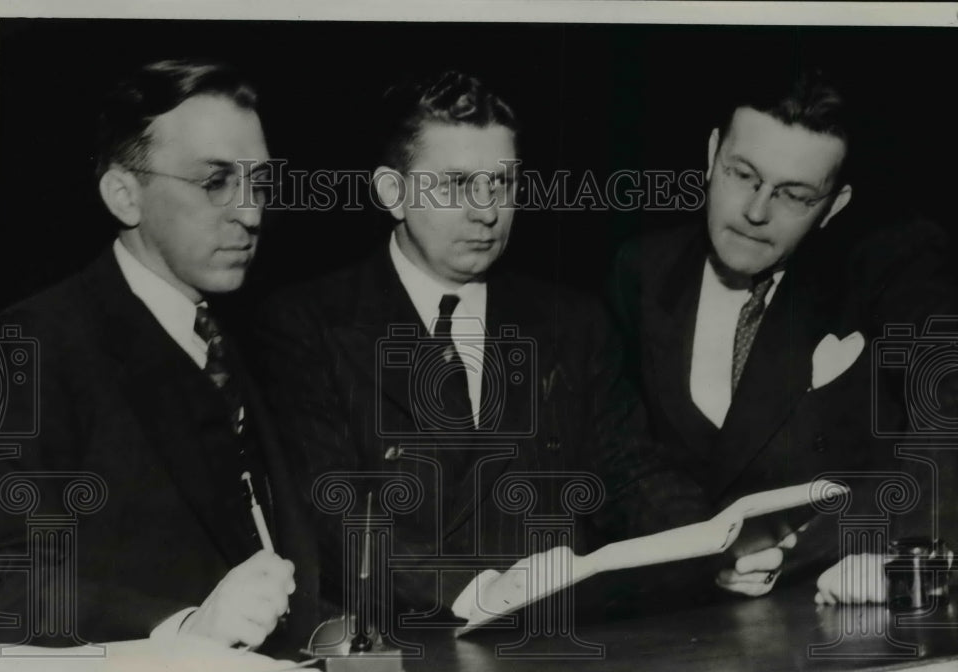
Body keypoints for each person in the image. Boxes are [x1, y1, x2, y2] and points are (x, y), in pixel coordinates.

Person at [255, 71, 704, 625]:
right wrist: (475, 590)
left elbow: (632, 473)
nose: (487, 211)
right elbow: (332, 513)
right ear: (391, 192)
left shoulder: (573, 322)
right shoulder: (307, 324)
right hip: (409, 650)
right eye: (455, 184)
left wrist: (711, 540)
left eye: (504, 184)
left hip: (565, 643)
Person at [0, 60, 320, 653]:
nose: (251, 213)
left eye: (259, 182)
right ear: (124, 195)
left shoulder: (235, 340)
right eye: (215, 180)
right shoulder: (34, 345)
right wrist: (182, 627)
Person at [610, 68, 958, 597]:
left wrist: (814, 550)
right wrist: (703, 553)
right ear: (710, 155)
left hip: (829, 602)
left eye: (794, 196)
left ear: (832, 207)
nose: (755, 212)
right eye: (742, 175)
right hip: (680, 616)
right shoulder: (639, 271)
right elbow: (625, 456)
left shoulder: (885, 267)